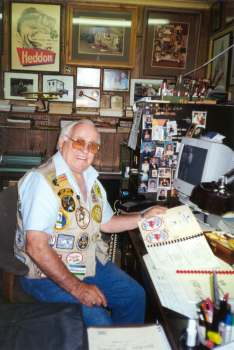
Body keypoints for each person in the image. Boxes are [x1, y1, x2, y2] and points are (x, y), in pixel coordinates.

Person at [15, 119, 166, 328]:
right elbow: (36, 246)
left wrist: (143, 217)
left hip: (84, 262)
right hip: (42, 275)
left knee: (134, 296)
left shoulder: (91, 180)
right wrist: (78, 288)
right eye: (79, 142)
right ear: (62, 143)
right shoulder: (42, 181)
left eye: (92, 146)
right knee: (99, 320)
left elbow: (107, 222)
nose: (85, 151)